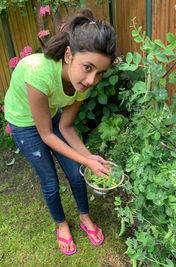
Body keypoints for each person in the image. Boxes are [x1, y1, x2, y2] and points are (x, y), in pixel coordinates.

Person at [4, 8, 117, 255]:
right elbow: (46, 135)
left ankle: (85, 217)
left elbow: (65, 126)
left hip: (49, 113)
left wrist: (90, 159)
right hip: (24, 123)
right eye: (87, 68)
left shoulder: (81, 84)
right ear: (68, 55)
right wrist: (87, 159)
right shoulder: (38, 73)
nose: (91, 80)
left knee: (78, 173)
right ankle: (62, 225)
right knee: (50, 182)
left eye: (99, 73)